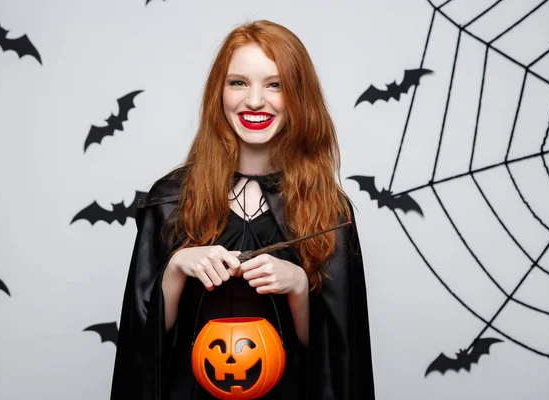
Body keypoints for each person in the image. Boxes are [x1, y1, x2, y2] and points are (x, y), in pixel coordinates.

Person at [110, 20, 375, 400]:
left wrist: (299, 285)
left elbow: (339, 356)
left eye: (275, 84)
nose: (254, 101)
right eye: (238, 83)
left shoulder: (328, 209)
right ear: (219, 92)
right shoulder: (170, 201)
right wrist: (176, 268)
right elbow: (142, 345)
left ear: (299, 96)